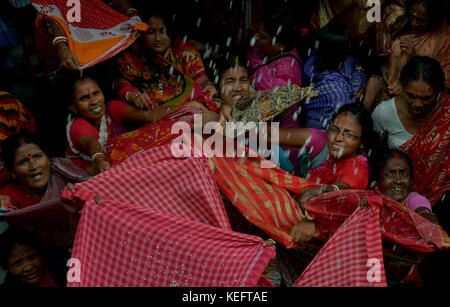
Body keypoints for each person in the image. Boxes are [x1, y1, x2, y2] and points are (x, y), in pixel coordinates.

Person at [65, 75, 208, 175]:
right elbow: (91, 144)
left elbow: (148, 116)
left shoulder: (111, 108)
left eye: (96, 93)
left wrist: (187, 108)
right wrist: (99, 161)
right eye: (84, 98)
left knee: (169, 129)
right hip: (93, 172)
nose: (94, 101)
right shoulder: (78, 125)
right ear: (73, 107)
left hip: (118, 166)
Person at [280, 104, 373, 243]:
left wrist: (312, 217)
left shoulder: (357, 167)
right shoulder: (322, 141)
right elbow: (269, 135)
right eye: (335, 130)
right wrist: (238, 129)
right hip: (299, 203)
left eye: (349, 134)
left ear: (362, 143)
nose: (338, 138)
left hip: (327, 230)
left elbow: (343, 190)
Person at [372, 56, 448, 204]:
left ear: (439, 92)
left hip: (442, 197)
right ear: (402, 87)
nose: (418, 104)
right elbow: (374, 153)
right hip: (397, 197)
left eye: (426, 98)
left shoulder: (447, 112)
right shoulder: (384, 113)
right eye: (410, 96)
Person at [114, 9, 218, 112]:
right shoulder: (131, 57)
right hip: (156, 114)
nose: (158, 38)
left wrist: (207, 85)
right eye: (151, 32)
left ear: (171, 32)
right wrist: (134, 96)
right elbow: (122, 84)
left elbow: (199, 76)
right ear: (142, 34)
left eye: (163, 31)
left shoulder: (182, 48)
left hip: (191, 107)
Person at [301, 21, 365, 130]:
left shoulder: (323, 59)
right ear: (345, 52)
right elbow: (350, 120)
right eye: (349, 43)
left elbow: (354, 64)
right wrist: (366, 96)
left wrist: (358, 76)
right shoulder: (335, 92)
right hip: (321, 134)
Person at [373, 149, 438, 223]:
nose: (398, 180)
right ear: (377, 183)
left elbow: (427, 217)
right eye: (390, 174)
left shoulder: (415, 200)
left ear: (411, 180)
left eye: (403, 174)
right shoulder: (369, 200)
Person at [0, 226, 67, 287]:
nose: (28, 267)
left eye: (32, 257)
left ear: (40, 253)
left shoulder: (58, 266)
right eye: (18, 263)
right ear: (6, 268)